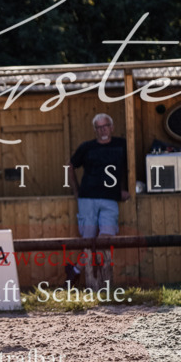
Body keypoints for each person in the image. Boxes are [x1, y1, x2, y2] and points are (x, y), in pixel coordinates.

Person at [67, 114, 129, 288]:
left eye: (106, 126)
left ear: (112, 127)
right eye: (99, 127)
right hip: (88, 197)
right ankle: (93, 285)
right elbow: (70, 166)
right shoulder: (87, 147)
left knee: (107, 237)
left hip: (110, 198)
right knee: (88, 239)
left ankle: (76, 268)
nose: (103, 130)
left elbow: (127, 167)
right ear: (95, 130)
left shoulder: (122, 145)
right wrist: (76, 190)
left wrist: (125, 188)